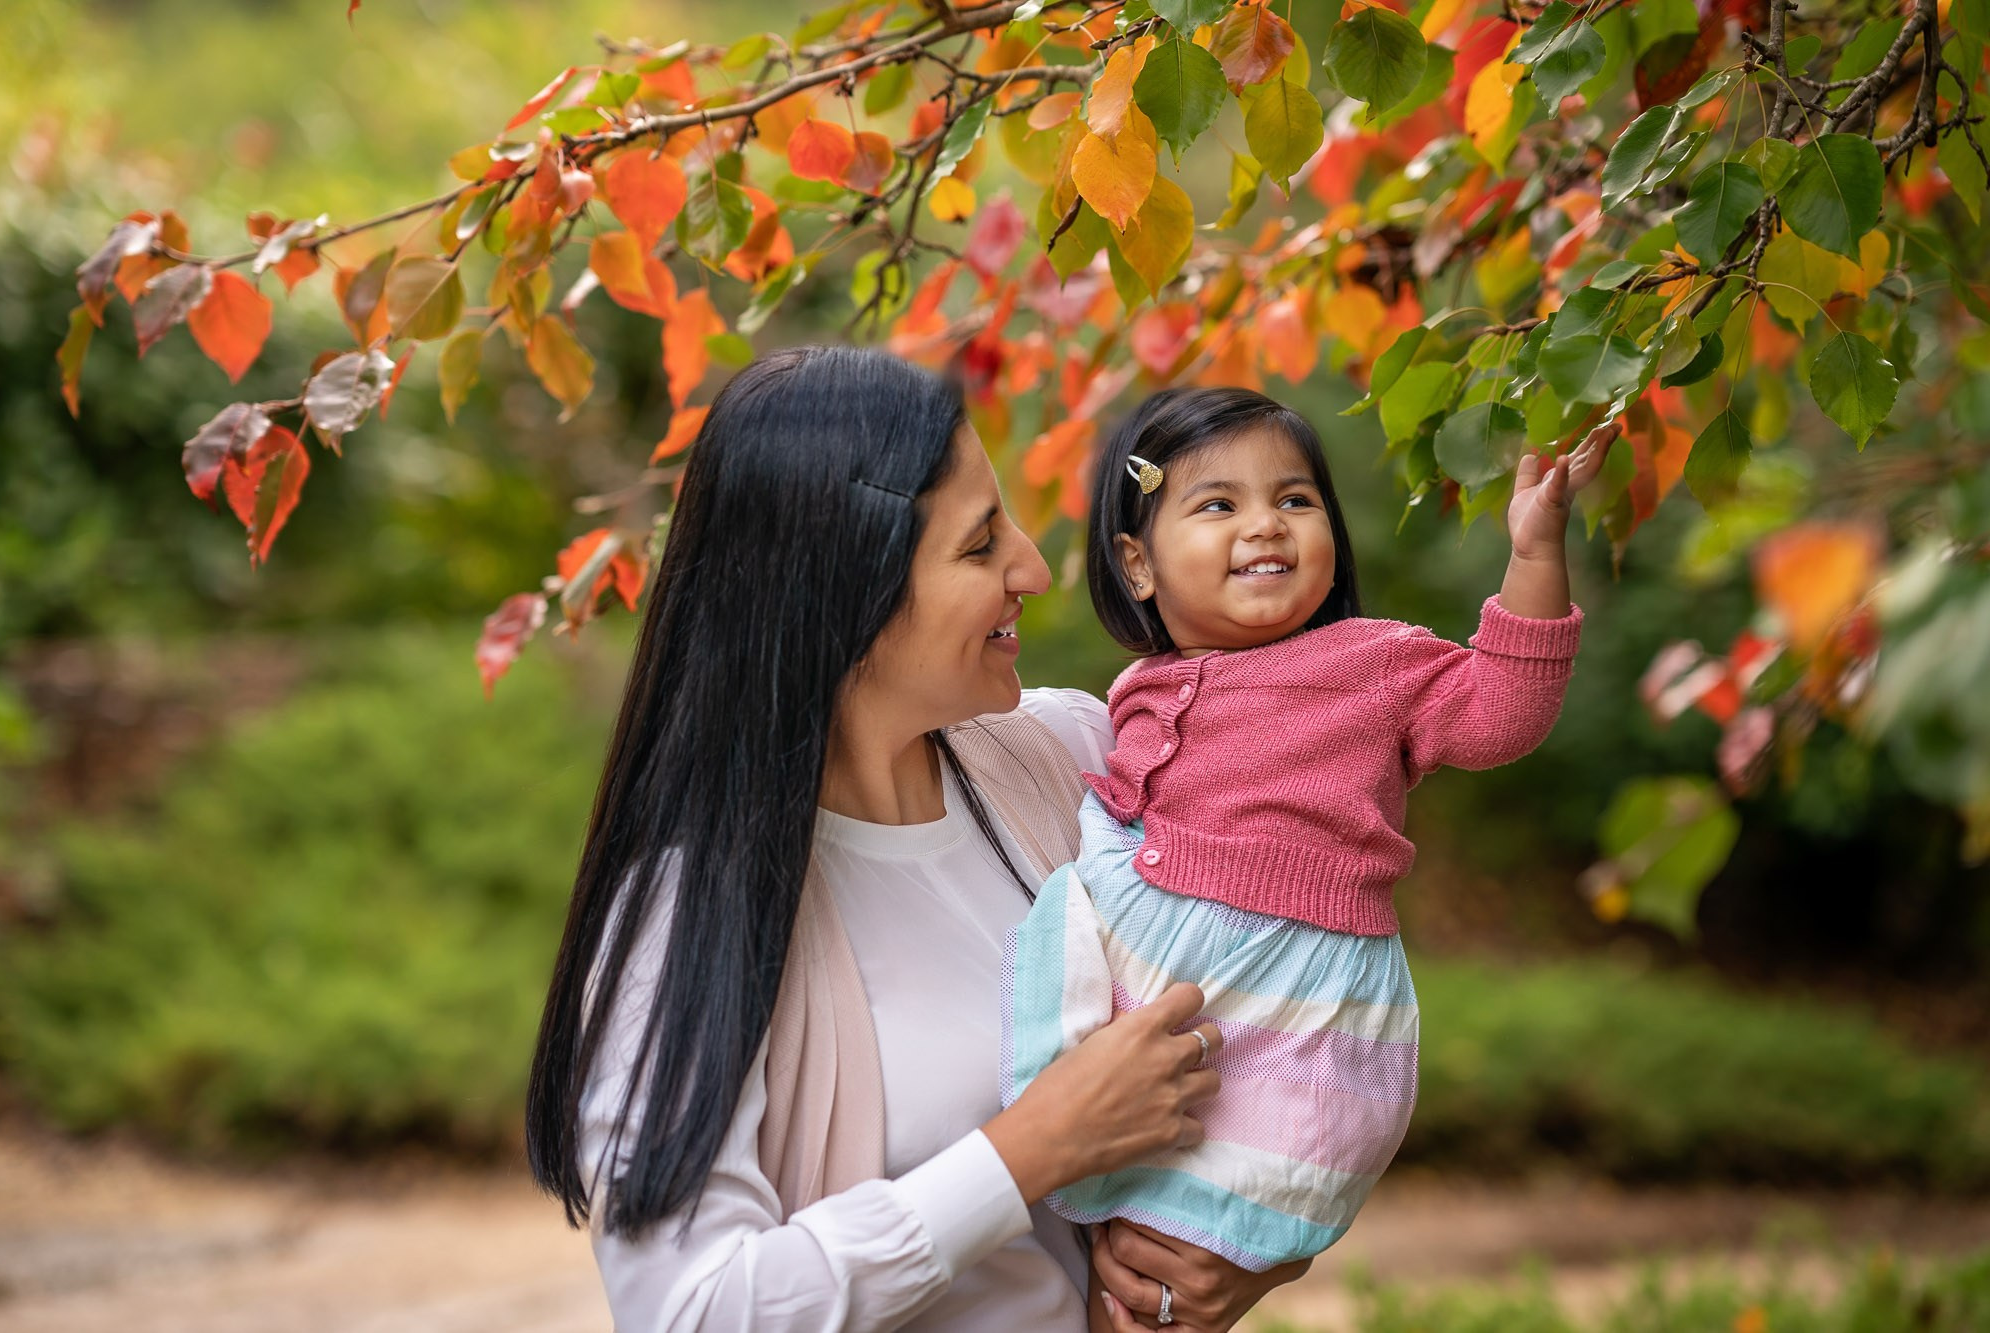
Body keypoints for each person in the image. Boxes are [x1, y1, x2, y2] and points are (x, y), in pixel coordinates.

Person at [524, 345, 1313, 1332]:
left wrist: (1244, 1259)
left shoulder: (1079, 758)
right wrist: (1027, 1151)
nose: (1032, 568)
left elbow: (1301, 1013)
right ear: (843, 587)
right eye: (980, 546)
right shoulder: (690, 914)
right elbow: (691, 1308)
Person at [1001, 386, 1618, 1330]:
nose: (1266, 524)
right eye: (1219, 503)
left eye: (1294, 498)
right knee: (1110, 1224)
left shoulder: (1374, 662)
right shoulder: (1131, 691)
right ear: (1137, 564)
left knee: (1186, 1236)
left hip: (1293, 990)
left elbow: (1502, 713)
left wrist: (1535, 556)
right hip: (1161, 979)